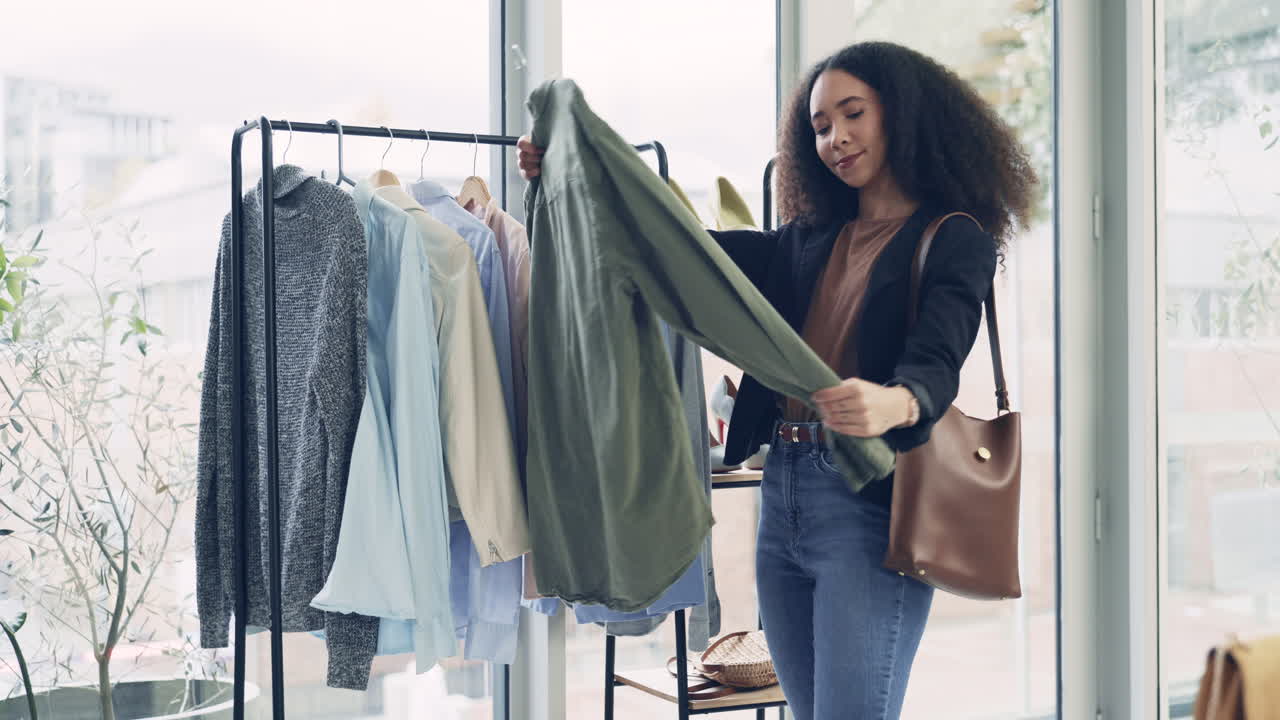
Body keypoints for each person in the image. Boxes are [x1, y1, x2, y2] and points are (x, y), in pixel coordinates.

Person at [517, 40, 1036, 720]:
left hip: (869, 505)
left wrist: (894, 401)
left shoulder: (951, 236)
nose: (836, 139)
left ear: (901, 115)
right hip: (783, 488)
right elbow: (675, 250)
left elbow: (938, 357)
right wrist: (567, 172)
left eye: (853, 115)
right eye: (819, 127)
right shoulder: (806, 237)